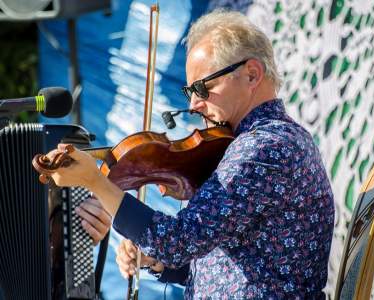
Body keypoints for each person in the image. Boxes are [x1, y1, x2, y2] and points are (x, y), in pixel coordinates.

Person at [47, 9, 335, 299]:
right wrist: (158, 262)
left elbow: (176, 241)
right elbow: (235, 265)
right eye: (190, 92)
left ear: (252, 74)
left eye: (203, 87)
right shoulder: (272, 140)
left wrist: (96, 182)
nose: (195, 104)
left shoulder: (262, 148)